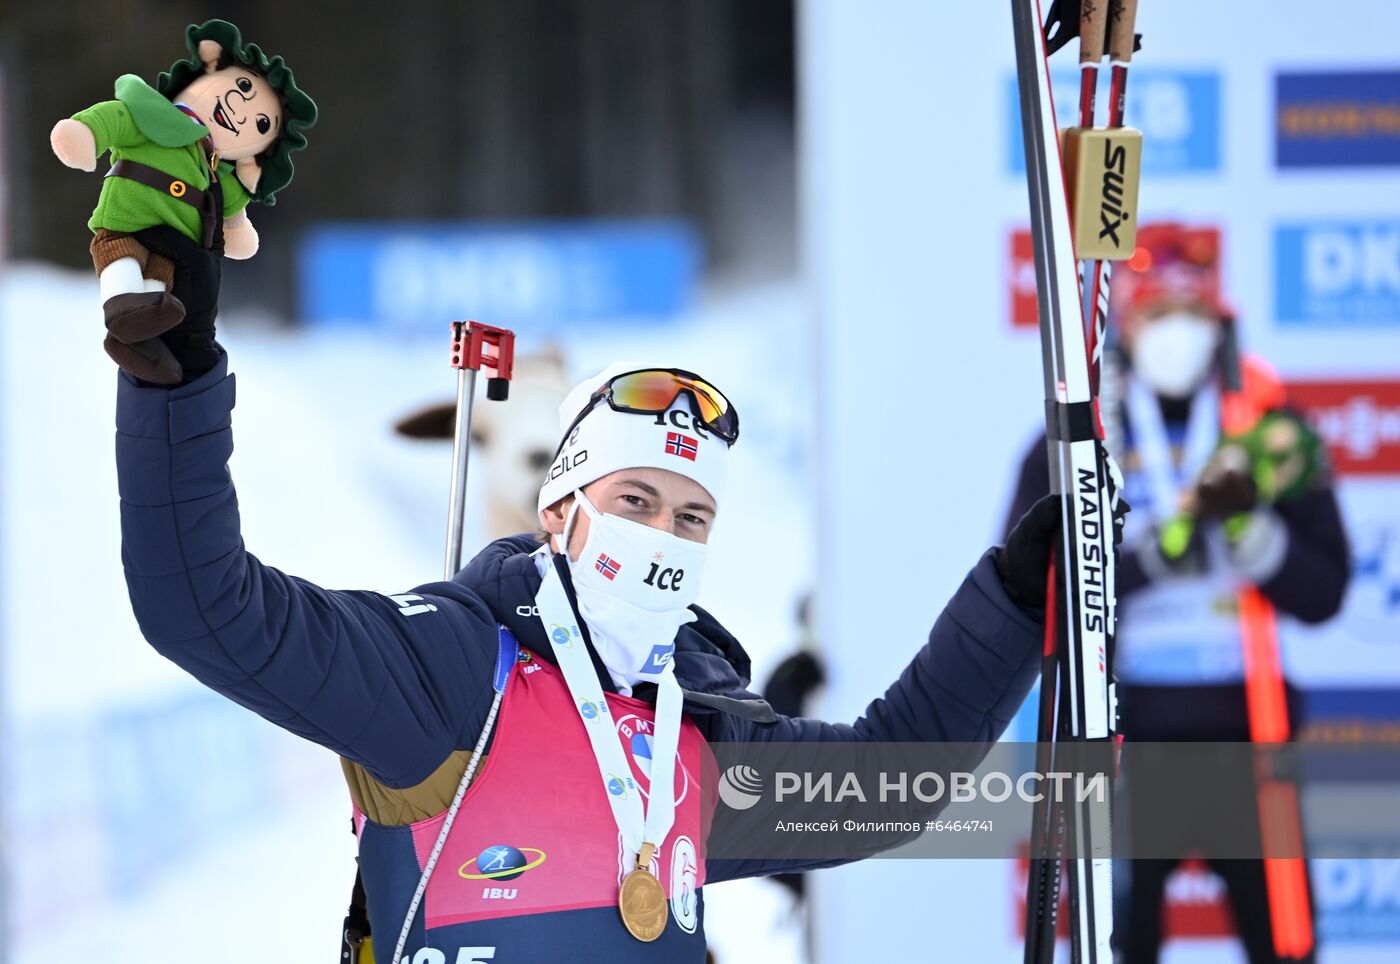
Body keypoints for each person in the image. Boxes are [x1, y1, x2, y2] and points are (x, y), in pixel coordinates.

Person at [113, 224, 1072, 963]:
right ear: (561, 511)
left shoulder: (697, 734)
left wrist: (1018, 596)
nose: (661, 534)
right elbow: (203, 608)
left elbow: (884, 790)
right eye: (635, 500)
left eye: (690, 517)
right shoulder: (446, 671)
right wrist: (179, 383)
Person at [1003, 223, 1350, 964]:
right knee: (1111, 945)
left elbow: (1326, 592)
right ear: (1125, 320)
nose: (1177, 335)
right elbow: (1032, 593)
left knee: (1287, 944)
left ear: (1219, 320)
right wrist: (1149, 561)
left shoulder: (1271, 431)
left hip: (1248, 738)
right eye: (1160, 314)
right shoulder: (1077, 442)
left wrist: (1263, 547)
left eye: (1193, 316)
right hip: (1124, 742)